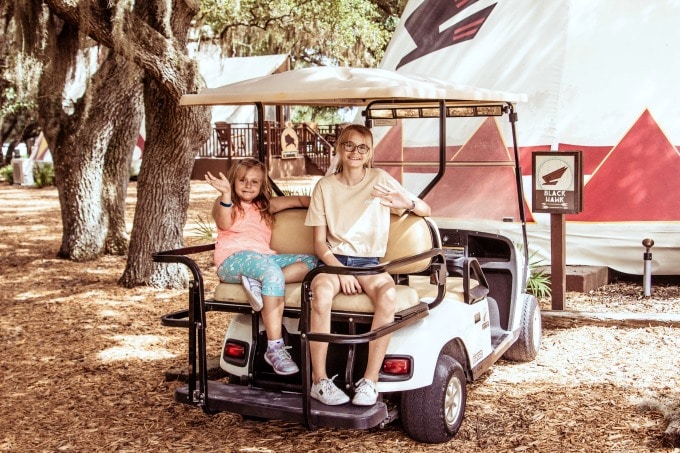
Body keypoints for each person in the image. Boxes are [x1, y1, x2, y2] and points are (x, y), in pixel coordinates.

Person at [304, 124, 432, 406]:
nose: (355, 152)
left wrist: (406, 202)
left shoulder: (379, 179)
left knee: (387, 296)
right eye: (349, 145)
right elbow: (319, 244)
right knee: (320, 294)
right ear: (338, 148)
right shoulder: (324, 187)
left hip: (370, 263)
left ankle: (369, 381)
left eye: (362, 147)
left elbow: (425, 210)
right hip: (333, 263)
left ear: (370, 152)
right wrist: (342, 270)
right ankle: (319, 380)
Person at [206, 159, 318, 376]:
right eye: (242, 180)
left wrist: (329, 203)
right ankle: (274, 348)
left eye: (254, 182)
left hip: (263, 260)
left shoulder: (266, 206)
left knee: (312, 263)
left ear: (261, 185)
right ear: (233, 181)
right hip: (233, 260)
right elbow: (224, 224)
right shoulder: (225, 203)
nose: (248, 185)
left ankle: (261, 283)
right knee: (271, 273)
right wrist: (226, 195)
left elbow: (300, 201)